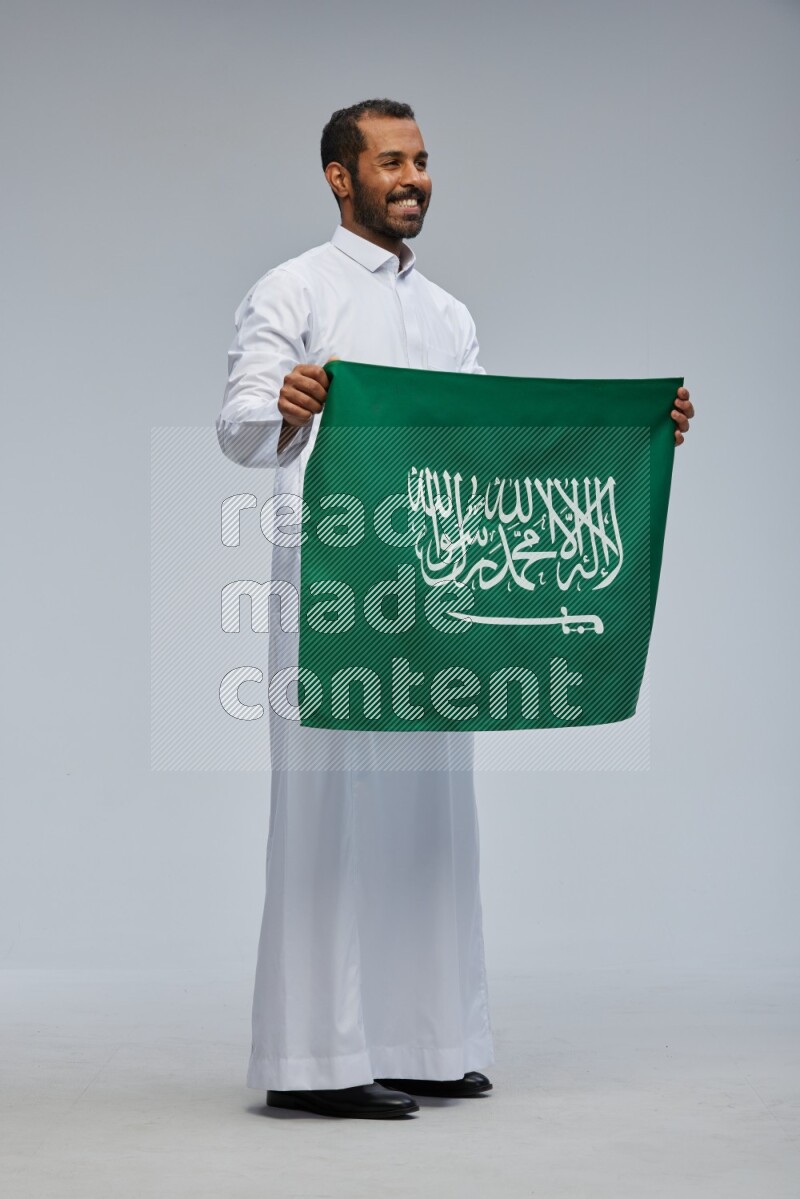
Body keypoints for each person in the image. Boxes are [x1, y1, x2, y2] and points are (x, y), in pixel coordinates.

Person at [216, 99, 695, 1121]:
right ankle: (313, 1059)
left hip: (438, 581)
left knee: (431, 810)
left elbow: (490, 445)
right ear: (341, 177)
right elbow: (239, 423)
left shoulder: (447, 314)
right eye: (392, 161)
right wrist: (284, 405)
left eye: (422, 161)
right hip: (337, 576)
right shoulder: (292, 288)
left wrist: (636, 432)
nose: (414, 178)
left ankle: (426, 1040)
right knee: (326, 810)